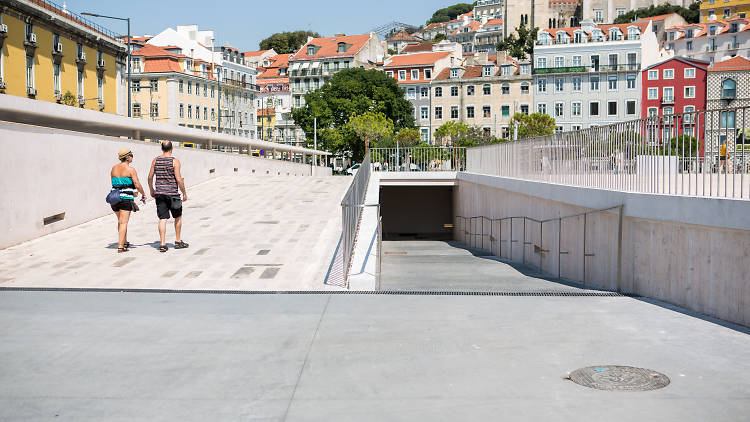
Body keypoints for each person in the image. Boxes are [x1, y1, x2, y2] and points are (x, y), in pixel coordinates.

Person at [148, 141, 189, 253]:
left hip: (160, 194)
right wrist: (184, 193)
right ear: (172, 148)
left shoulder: (155, 160)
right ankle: (178, 241)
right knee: (178, 217)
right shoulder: (175, 161)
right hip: (173, 194)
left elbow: (150, 177)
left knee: (162, 219)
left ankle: (162, 244)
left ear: (162, 148)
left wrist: (152, 190)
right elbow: (179, 179)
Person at [111, 148, 146, 253]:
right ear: (127, 157)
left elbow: (114, 184)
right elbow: (137, 184)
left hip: (114, 198)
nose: (132, 157)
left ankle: (124, 241)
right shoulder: (131, 170)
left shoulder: (113, 168)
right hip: (125, 199)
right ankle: (121, 247)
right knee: (123, 222)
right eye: (131, 155)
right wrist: (143, 193)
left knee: (120, 221)